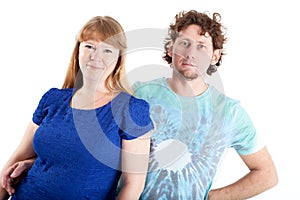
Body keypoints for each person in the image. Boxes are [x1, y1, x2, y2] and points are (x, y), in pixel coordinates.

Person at [1, 10, 278, 200]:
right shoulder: (139, 93)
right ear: (170, 48)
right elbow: (89, 137)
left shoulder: (231, 113)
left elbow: (266, 175)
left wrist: (208, 196)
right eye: (184, 43)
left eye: (202, 46)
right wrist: (37, 160)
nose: (191, 53)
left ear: (216, 55)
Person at [0, 15, 153, 200]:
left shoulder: (131, 110)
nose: (96, 57)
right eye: (89, 46)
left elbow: (133, 186)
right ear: (78, 51)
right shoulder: (53, 99)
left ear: (119, 58)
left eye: (107, 50)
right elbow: (17, 159)